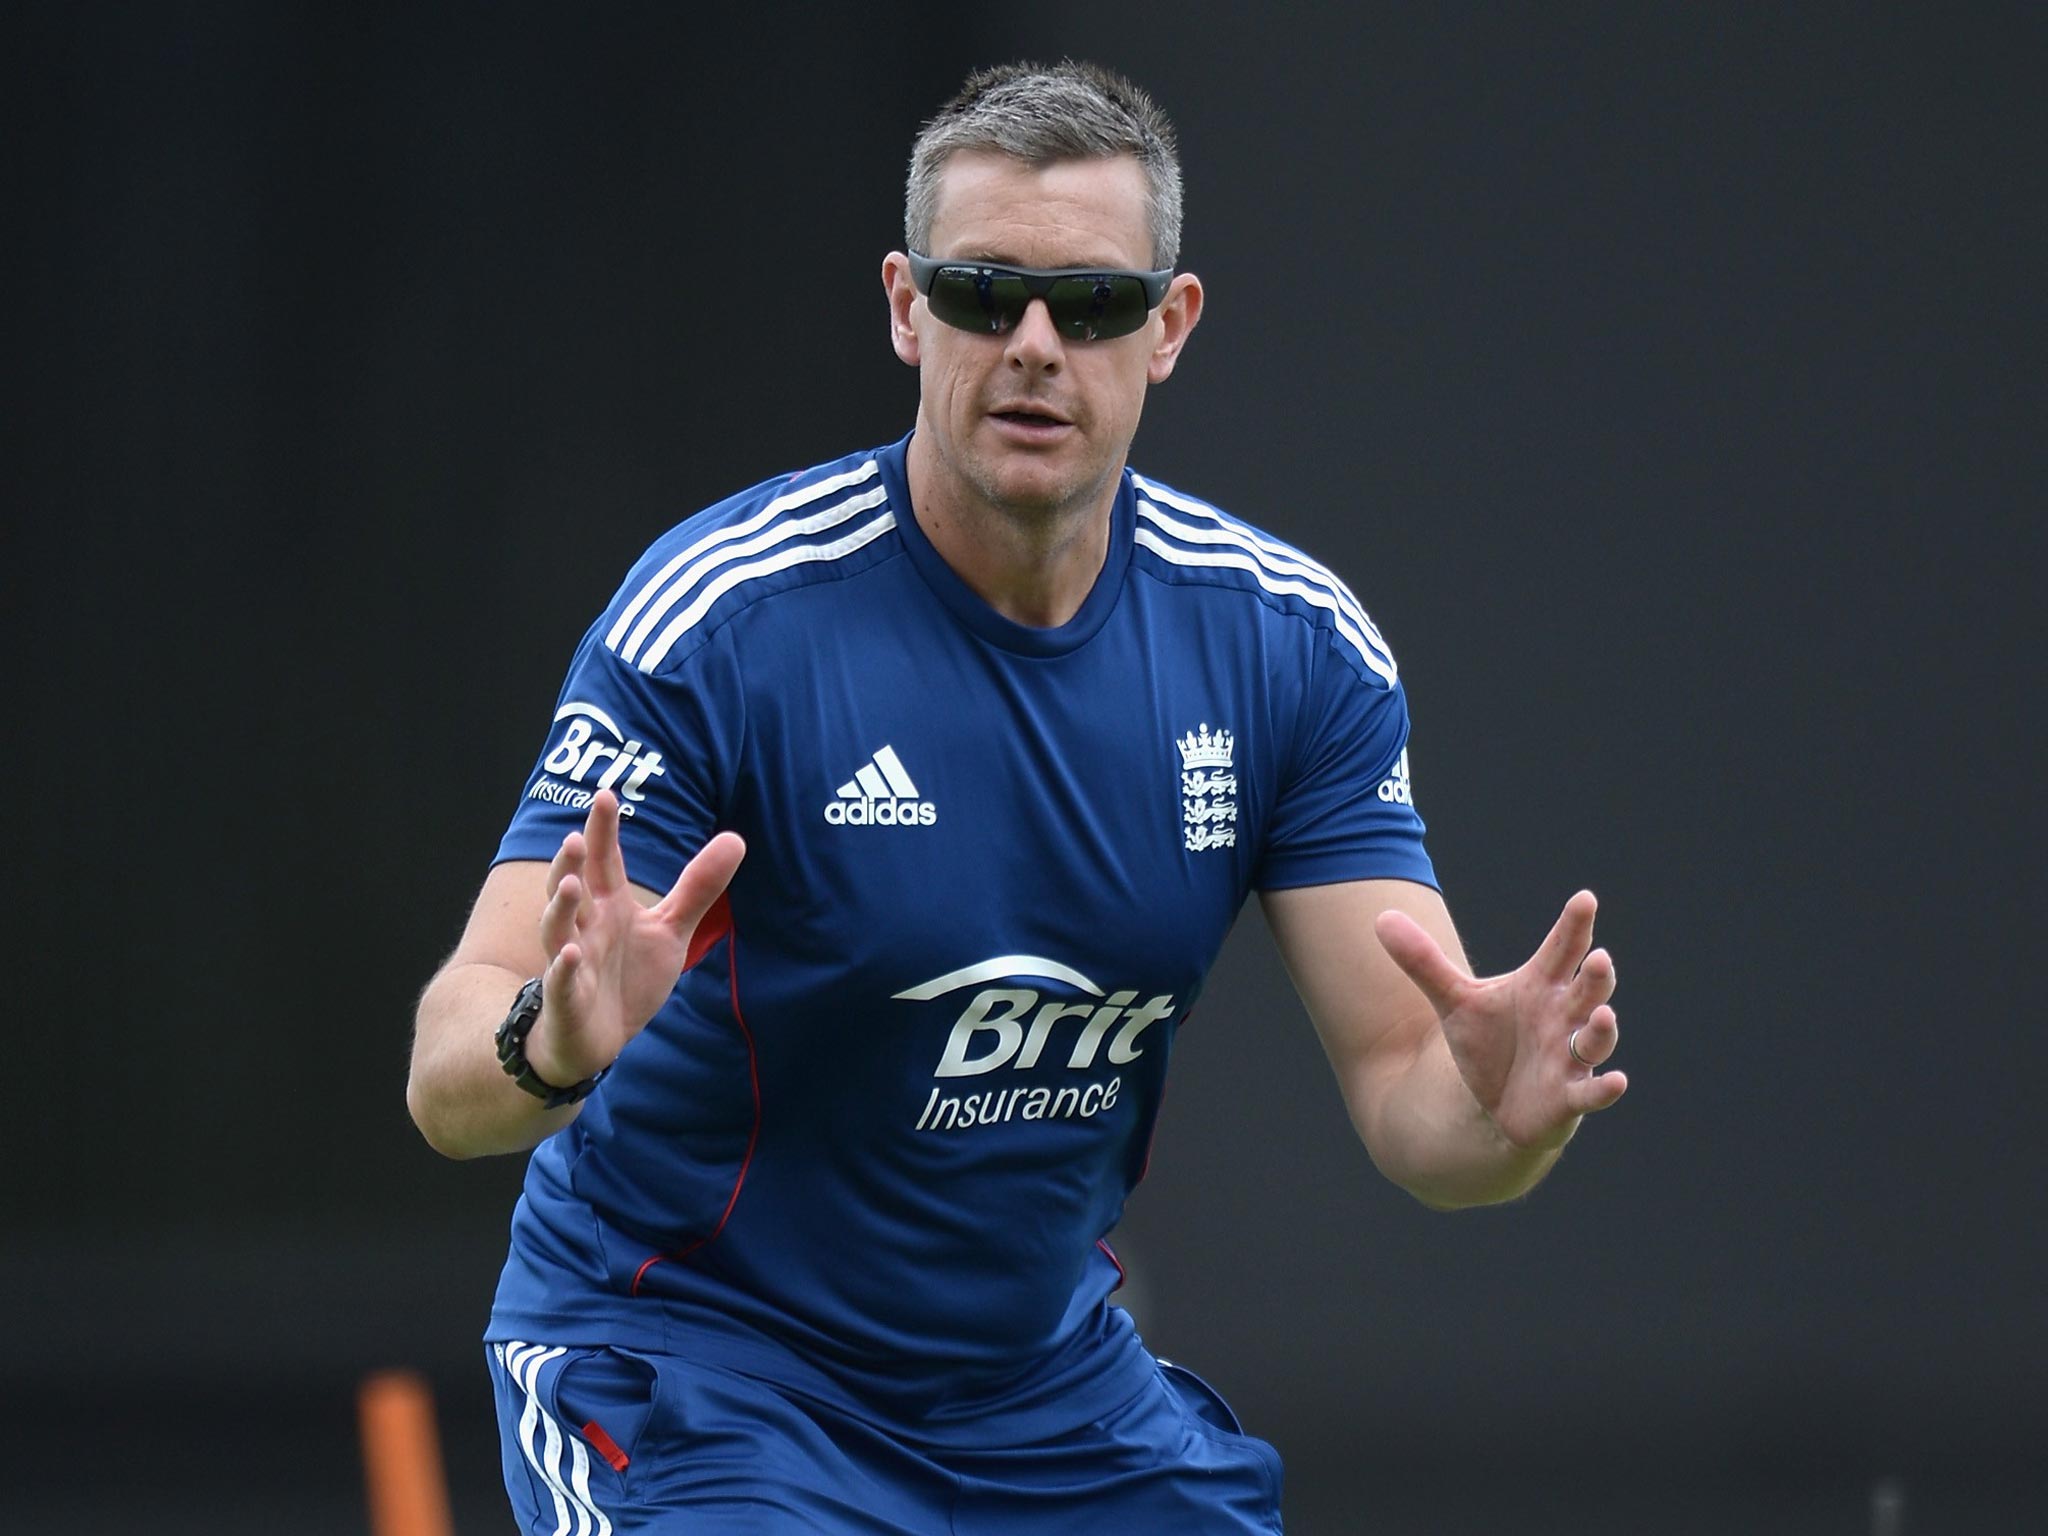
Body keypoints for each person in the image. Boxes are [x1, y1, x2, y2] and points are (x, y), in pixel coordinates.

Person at [407, 59, 1625, 1535]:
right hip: (699, 1373)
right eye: (985, 294)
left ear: (1169, 328)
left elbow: (1412, 1101)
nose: (1037, 346)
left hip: (1040, 1405)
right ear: (907, 309)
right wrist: (558, 1039)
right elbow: (449, 1063)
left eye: (1095, 305)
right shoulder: (723, 622)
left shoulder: (1288, 648)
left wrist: (1507, 1120)